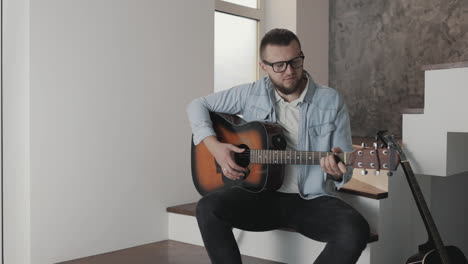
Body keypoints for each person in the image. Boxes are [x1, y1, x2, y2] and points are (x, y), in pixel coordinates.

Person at [186, 28, 370, 264]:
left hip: (311, 200)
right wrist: (216, 148)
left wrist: (336, 173)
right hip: (260, 196)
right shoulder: (250, 93)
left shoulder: (330, 100)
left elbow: (344, 162)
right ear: (264, 66)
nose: (290, 71)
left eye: (295, 61)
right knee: (207, 208)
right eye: (279, 65)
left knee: (355, 230)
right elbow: (196, 105)